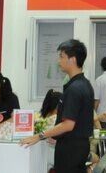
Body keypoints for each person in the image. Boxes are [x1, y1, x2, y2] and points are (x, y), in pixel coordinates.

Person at [20, 39, 94, 173]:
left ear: (72, 59)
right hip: (79, 147)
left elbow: (68, 124)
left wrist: (39, 136)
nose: (58, 61)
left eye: (61, 56)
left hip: (70, 150)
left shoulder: (74, 89)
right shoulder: (85, 84)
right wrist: (56, 136)